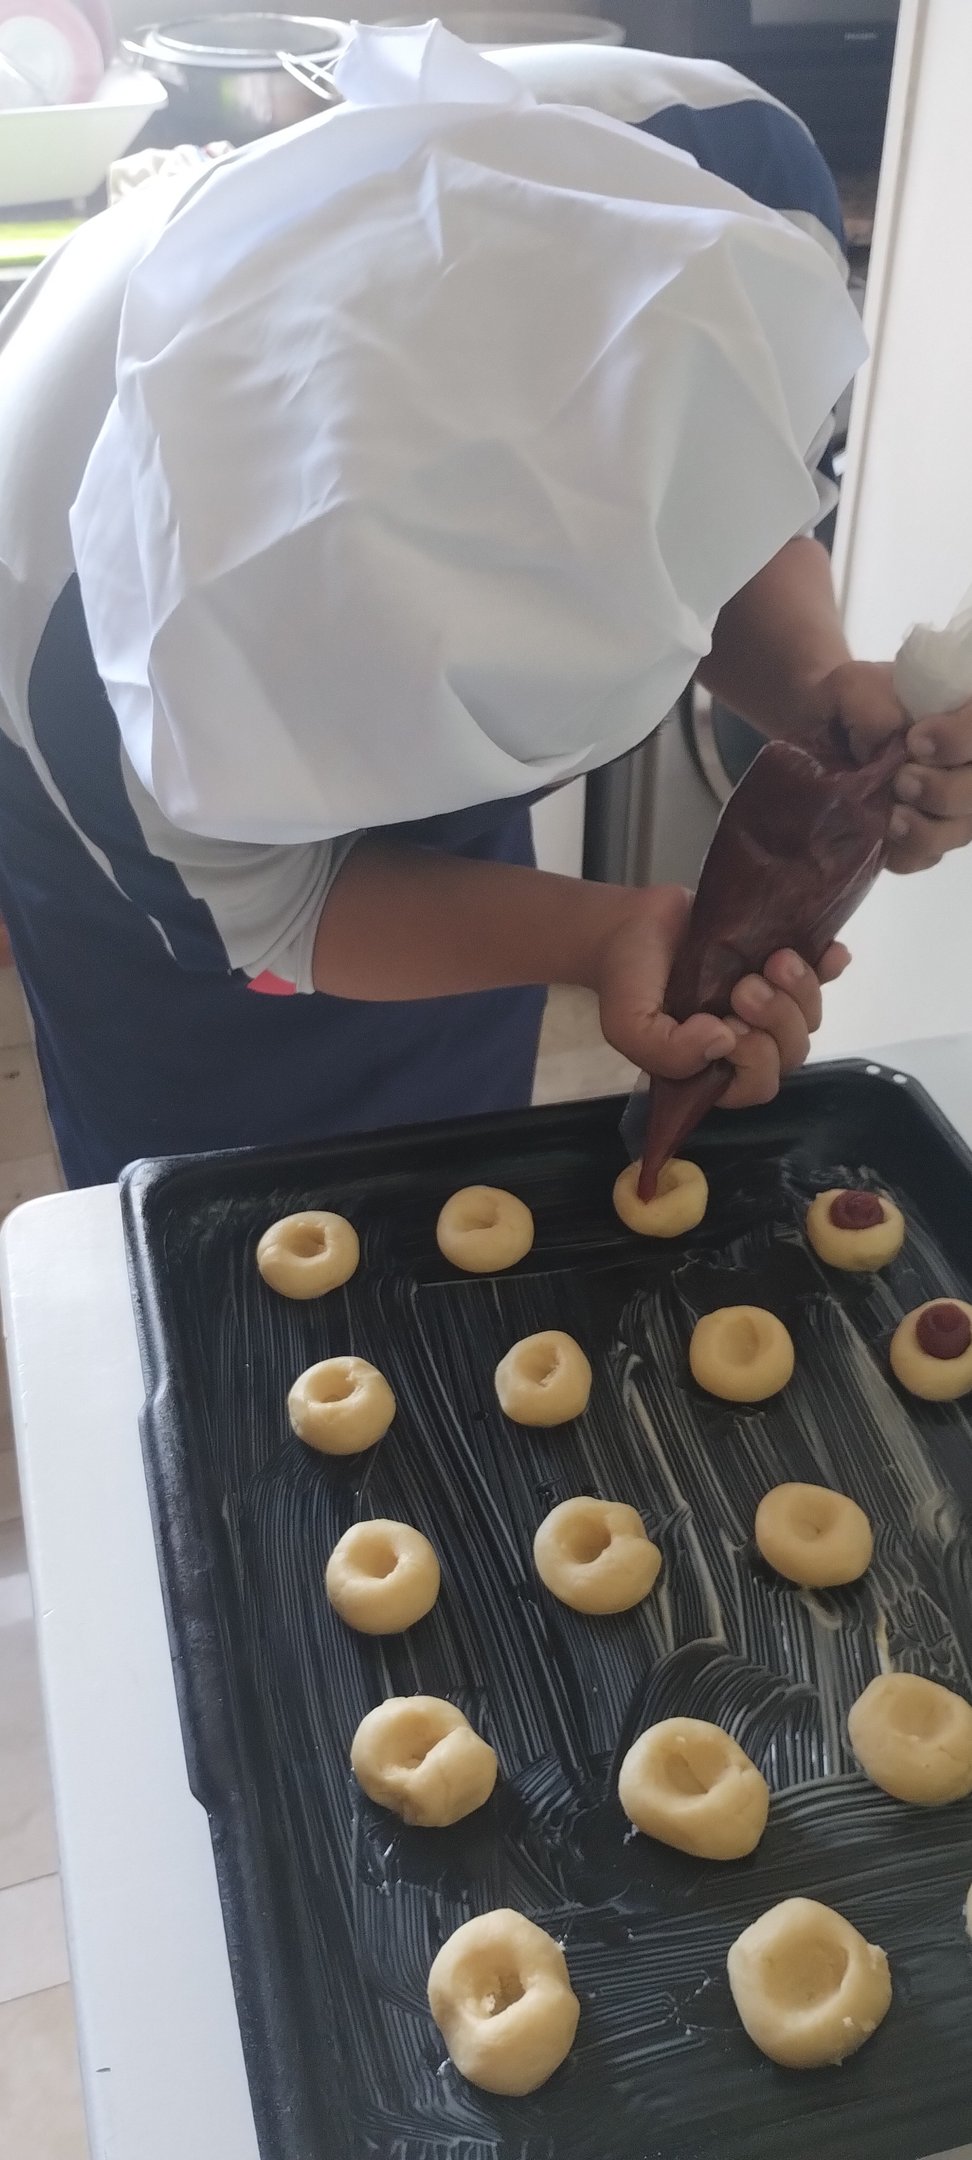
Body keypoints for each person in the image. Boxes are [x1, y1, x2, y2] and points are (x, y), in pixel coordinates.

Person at [0, 26, 969, 1188]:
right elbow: (289, 905)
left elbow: (729, 480)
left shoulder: (714, 171)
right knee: (222, 1190)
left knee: (459, 1152)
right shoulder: (97, 692)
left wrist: (814, 692)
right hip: (158, 914)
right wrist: (587, 930)